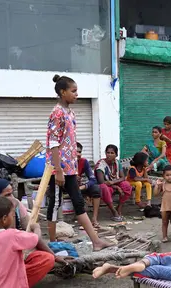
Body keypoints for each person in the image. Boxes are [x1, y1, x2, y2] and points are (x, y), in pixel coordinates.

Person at [46, 74, 111, 251]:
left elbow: (69, 142)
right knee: (55, 203)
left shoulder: (70, 112)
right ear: (62, 92)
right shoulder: (57, 113)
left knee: (78, 202)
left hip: (69, 167)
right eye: (73, 91)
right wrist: (58, 169)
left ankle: (96, 241)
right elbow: (54, 143)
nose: (77, 94)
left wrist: (71, 167)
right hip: (58, 168)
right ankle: (52, 244)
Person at [95, 144, 133, 221]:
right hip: (105, 185)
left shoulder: (117, 162)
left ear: (116, 155)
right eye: (108, 152)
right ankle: (114, 211)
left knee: (127, 185)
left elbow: (122, 177)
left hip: (113, 183)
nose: (109, 155)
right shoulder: (100, 164)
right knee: (104, 188)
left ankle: (119, 207)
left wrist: (113, 182)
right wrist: (116, 187)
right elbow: (101, 182)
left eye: (112, 153)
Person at [76, 142, 101, 228]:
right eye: (76, 151)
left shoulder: (83, 162)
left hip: (79, 186)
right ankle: (81, 219)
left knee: (96, 189)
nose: (78, 154)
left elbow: (93, 179)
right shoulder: (63, 162)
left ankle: (94, 218)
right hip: (66, 186)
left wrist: (83, 186)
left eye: (79, 152)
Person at [154, 165, 171, 243]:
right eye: (167, 175)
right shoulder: (162, 185)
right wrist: (157, 185)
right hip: (164, 207)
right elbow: (155, 194)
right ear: (164, 176)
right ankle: (164, 237)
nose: (170, 177)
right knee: (164, 222)